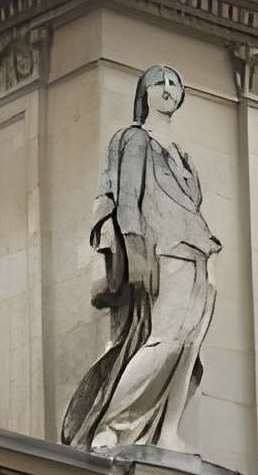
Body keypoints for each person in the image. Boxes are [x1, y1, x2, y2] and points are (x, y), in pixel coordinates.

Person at [60, 67, 220, 454]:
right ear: (144, 94)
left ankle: (168, 431)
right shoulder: (135, 139)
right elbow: (128, 199)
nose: (167, 89)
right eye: (158, 83)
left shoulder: (182, 156)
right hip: (165, 250)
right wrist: (135, 250)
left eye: (174, 83)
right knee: (165, 340)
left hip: (199, 251)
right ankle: (108, 421)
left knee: (188, 346)